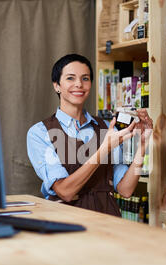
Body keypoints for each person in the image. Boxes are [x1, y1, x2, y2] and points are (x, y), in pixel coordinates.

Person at [27, 54, 153, 216]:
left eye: (85, 78)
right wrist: (104, 149)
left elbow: (126, 190)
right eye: (70, 78)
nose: (79, 84)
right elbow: (65, 191)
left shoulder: (106, 127)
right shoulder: (40, 133)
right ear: (56, 85)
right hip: (66, 224)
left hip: (108, 221)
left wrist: (142, 146)